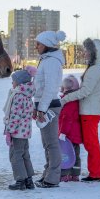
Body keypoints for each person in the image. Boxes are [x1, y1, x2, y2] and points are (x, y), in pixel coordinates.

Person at [61, 38, 100, 182]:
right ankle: (96, 172)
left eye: (87, 50)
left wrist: (65, 98)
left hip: (90, 111)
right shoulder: (95, 68)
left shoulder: (94, 70)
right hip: (90, 110)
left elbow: (85, 91)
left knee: (91, 143)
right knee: (91, 143)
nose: (84, 53)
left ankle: (96, 174)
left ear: (94, 53)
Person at [33, 30, 66, 188]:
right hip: (44, 105)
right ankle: (48, 173)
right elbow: (40, 87)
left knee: (52, 143)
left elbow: (51, 88)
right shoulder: (45, 60)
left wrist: (42, 109)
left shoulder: (52, 62)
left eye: (38, 44)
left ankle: (53, 178)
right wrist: (36, 106)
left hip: (50, 106)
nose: (36, 47)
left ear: (46, 44)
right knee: (47, 143)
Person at [3, 66, 37, 190]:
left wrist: (9, 131)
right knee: (24, 155)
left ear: (19, 82)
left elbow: (15, 116)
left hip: (17, 132)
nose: (12, 82)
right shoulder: (27, 95)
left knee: (15, 156)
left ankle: (20, 181)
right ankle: (29, 180)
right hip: (25, 132)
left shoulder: (18, 96)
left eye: (13, 80)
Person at [59, 75, 82, 182]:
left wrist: (63, 132)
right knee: (76, 154)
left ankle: (65, 174)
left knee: (67, 154)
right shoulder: (76, 99)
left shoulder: (68, 101)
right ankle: (75, 174)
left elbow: (67, 118)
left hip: (68, 135)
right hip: (75, 133)